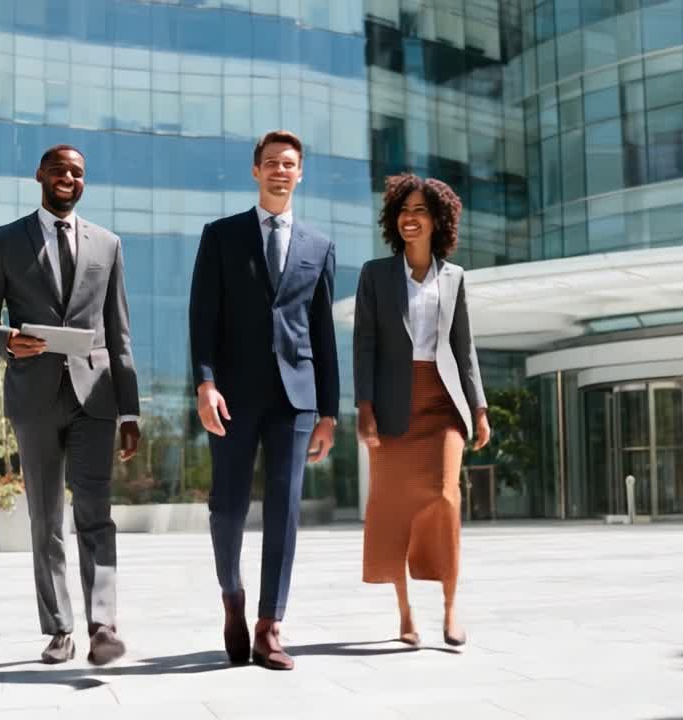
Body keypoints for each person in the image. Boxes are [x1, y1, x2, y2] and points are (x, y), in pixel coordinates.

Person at [0, 145, 140, 666]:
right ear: (40, 175)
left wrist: (130, 411)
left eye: (78, 172)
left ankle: (104, 625)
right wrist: (6, 338)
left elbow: (120, 332)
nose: (69, 177)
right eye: (60, 170)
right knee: (46, 520)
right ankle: (60, 628)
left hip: (96, 398)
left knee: (96, 515)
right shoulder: (4, 241)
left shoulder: (107, 244)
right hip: (34, 399)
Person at [188, 129, 340, 671]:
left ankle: (270, 625)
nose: (281, 170)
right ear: (256, 172)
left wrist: (329, 412)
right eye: (272, 162)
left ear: (300, 174)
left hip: (296, 399)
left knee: (285, 511)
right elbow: (202, 318)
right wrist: (205, 383)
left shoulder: (319, 246)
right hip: (231, 396)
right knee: (226, 507)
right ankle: (233, 599)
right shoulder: (222, 236)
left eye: (290, 164)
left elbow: (323, 333)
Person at [353, 173, 490, 648]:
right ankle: (406, 614)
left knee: (446, 498)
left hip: (441, 402)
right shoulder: (375, 274)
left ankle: (452, 607)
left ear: (439, 220)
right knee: (393, 509)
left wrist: (479, 407)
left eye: (420, 211)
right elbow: (364, 345)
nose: (410, 219)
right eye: (404, 211)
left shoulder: (454, 277)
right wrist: (364, 408)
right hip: (391, 405)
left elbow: (463, 345)